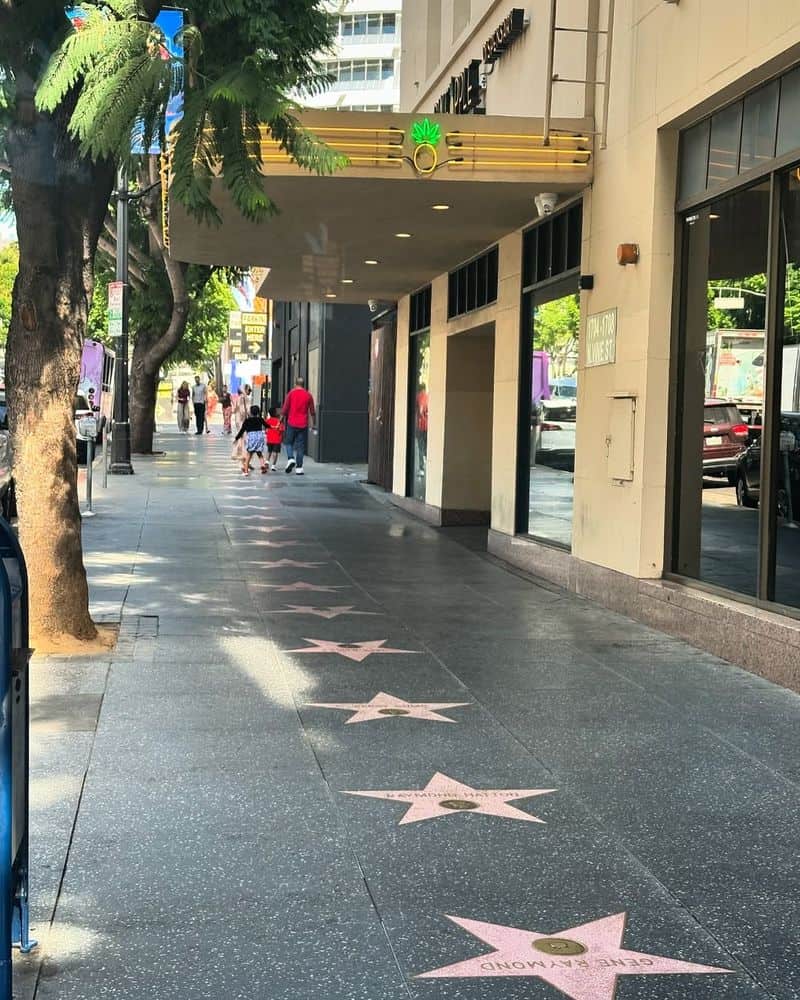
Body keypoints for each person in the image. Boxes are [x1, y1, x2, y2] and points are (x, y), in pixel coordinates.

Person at [281, 376, 316, 476]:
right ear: (304, 385)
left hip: (292, 422)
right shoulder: (308, 395)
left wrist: (280, 420)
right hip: (303, 424)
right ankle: (299, 468)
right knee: (300, 446)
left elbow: (285, 409)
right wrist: (314, 424)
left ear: (295, 384)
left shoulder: (291, 393)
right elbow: (312, 411)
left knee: (288, 443)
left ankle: (291, 458)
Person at [234, 405, 268, 476]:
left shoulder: (247, 420)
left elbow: (242, 430)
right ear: (258, 412)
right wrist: (273, 427)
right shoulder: (260, 419)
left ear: (250, 412)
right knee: (259, 453)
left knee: (249, 454)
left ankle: (246, 471)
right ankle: (263, 465)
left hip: (252, 437)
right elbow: (267, 425)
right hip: (259, 436)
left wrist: (236, 438)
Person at [265, 406, 284, 471]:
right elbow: (281, 430)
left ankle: (267, 462)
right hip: (277, 440)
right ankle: (273, 465)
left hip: (269, 439)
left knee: (269, 451)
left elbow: (266, 430)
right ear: (276, 413)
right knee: (275, 453)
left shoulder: (267, 421)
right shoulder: (279, 421)